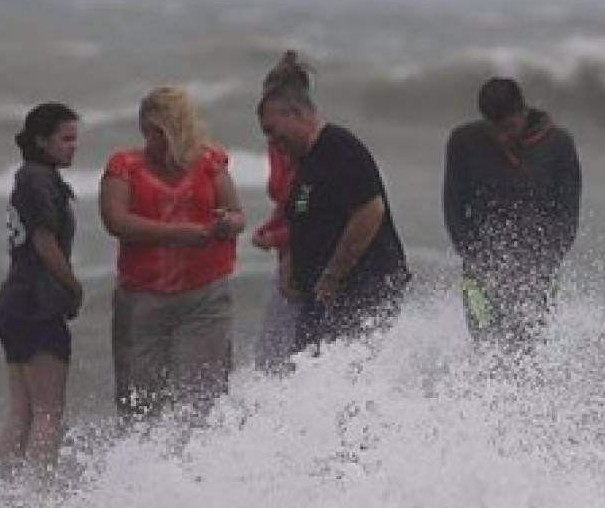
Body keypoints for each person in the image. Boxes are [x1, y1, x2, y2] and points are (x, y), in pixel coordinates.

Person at [99, 86, 244, 416]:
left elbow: (237, 215)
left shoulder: (211, 162)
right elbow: (115, 220)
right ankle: (143, 465)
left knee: (205, 399)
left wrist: (225, 224)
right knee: (139, 403)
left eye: (157, 132)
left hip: (205, 298)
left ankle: (201, 464)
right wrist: (178, 233)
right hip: (143, 298)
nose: (151, 140)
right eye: (147, 132)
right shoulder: (124, 166)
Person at [256, 76, 410, 351]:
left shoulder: (338, 147)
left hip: (363, 287)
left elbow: (370, 210)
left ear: (296, 114)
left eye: (271, 129)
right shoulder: (306, 160)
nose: (270, 140)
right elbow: (306, 217)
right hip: (322, 295)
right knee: (306, 369)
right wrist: (291, 260)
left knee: (341, 370)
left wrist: (332, 274)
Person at [443, 77, 581, 350]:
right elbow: (454, 209)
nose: (501, 136)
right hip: (481, 269)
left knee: (530, 344)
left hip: (539, 269)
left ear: (522, 113)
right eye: (494, 129)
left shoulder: (559, 145)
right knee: (484, 343)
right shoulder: (463, 142)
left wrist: (539, 267)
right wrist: (480, 262)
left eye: (509, 127)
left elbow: (566, 215)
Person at [0, 103, 83, 461]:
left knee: (22, 411)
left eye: (75, 139)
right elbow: (43, 240)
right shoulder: (40, 178)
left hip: (14, 300)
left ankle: (2, 494)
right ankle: (33, 500)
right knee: (48, 412)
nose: (73, 146)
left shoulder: (26, 176)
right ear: (41, 141)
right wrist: (72, 286)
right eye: (66, 139)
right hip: (36, 302)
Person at [252, 51, 309, 371]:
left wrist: (277, 239)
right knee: (274, 354)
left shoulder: (304, 146)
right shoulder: (277, 143)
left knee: (278, 358)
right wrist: (271, 226)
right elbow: (287, 202)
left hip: (304, 256)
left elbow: (310, 211)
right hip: (287, 252)